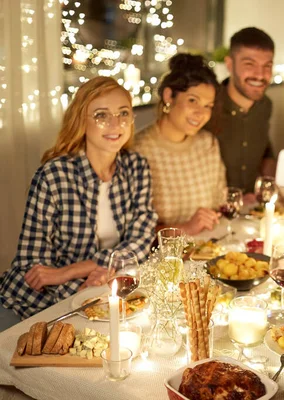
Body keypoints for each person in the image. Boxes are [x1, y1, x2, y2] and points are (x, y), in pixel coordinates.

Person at [0, 77, 157, 330]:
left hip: (98, 299)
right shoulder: (53, 175)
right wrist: (99, 277)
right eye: (101, 115)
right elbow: (35, 271)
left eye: (123, 114)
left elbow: (141, 239)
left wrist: (75, 270)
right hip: (31, 304)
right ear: (80, 121)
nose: (115, 124)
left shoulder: (137, 167)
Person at [134, 54, 225, 235]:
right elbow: (132, 234)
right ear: (169, 96)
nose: (201, 113)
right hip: (159, 259)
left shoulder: (208, 144)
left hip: (206, 250)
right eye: (193, 101)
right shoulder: (139, 150)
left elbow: (219, 205)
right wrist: (184, 229)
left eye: (208, 106)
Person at [205, 27, 276, 194]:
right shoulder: (207, 105)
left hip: (252, 208)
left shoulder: (265, 105)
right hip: (212, 210)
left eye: (267, 66)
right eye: (249, 64)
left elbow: (266, 150)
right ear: (230, 64)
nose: (260, 75)